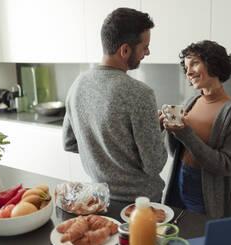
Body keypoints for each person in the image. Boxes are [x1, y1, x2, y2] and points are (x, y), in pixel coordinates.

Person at [62, 8, 167, 202]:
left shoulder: (77, 85)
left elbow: (69, 143)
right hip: (141, 205)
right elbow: (154, 164)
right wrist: (159, 132)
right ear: (125, 50)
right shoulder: (140, 93)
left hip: (99, 199)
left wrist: (104, 158)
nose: (147, 52)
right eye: (144, 47)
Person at [161, 40, 231, 218]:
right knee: (173, 238)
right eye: (186, 67)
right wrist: (171, 130)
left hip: (205, 191)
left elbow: (226, 166)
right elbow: (176, 152)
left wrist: (186, 134)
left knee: (200, 240)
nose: (189, 72)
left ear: (213, 63)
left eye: (194, 63)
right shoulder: (191, 102)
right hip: (178, 181)